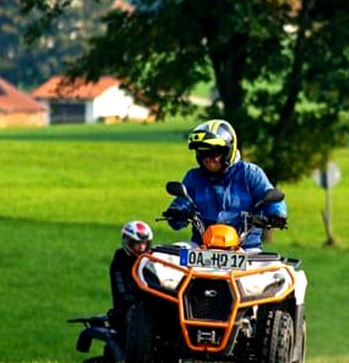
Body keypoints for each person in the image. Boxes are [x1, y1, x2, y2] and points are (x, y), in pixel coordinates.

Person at [163, 119, 287, 249]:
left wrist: (277, 215)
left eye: (214, 153)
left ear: (229, 150)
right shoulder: (193, 177)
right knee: (163, 257)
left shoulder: (250, 173)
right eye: (203, 152)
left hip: (247, 250)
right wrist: (176, 213)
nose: (208, 158)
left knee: (278, 269)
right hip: (201, 247)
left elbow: (271, 199)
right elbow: (182, 204)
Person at [108, 219, 153, 347]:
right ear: (127, 242)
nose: (142, 247)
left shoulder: (149, 260)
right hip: (128, 308)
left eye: (145, 243)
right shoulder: (120, 261)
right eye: (137, 243)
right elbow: (122, 291)